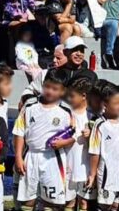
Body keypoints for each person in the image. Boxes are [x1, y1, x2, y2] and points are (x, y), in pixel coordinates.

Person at [14, 69, 75, 209]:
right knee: (28, 199)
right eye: (47, 86)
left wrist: (63, 142)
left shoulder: (66, 111)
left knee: (51, 201)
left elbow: (74, 134)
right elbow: (19, 132)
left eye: (55, 89)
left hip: (53, 158)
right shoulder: (29, 105)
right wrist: (18, 156)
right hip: (31, 156)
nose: (50, 91)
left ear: (63, 91)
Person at [87, 85, 119, 210]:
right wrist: (92, 174)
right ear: (105, 104)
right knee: (105, 205)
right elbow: (95, 152)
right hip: (107, 173)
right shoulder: (100, 124)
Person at [65, 77, 94, 211]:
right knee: (69, 201)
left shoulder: (93, 116)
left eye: (72, 95)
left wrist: (91, 135)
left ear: (83, 96)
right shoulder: (66, 113)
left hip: (85, 164)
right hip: (68, 162)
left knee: (84, 202)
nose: (69, 98)